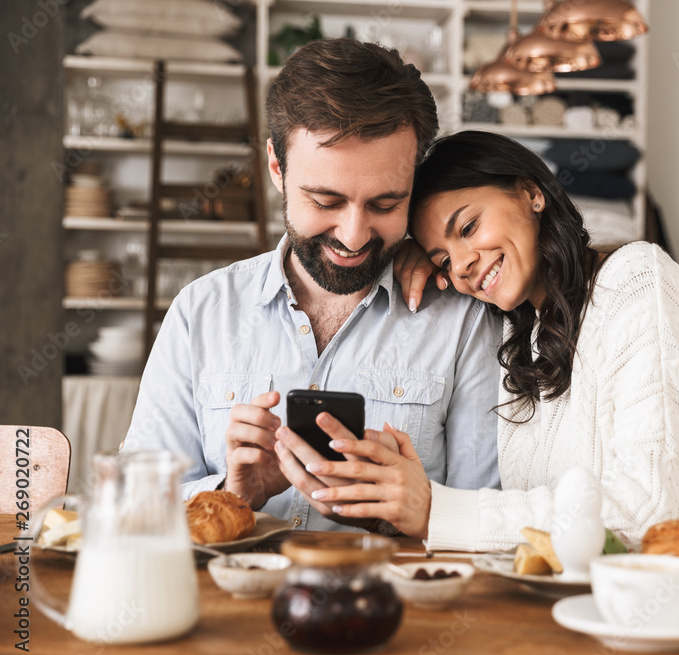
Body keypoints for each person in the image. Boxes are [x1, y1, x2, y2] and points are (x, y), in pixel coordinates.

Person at [277, 130, 679, 561]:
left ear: (530, 192)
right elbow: (543, 522)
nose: (462, 265)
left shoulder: (636, 280)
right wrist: (407, 255)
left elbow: (655, 509)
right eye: (443, 258)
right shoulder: (522, 333)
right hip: (604, 608)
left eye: (467, 226)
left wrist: (435, 509)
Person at [123, 41, 502, 533]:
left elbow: (488, 522)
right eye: (326, 200)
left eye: (385, 205)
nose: (354, 235)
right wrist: (232, 497)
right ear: (277, 168)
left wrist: (418, 507)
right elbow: (132, 506)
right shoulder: (201, 311)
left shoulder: (465, 319)